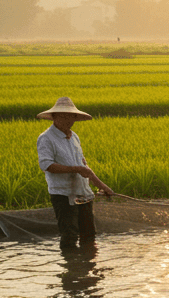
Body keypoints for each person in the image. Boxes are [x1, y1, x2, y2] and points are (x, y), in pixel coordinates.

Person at [36, 97, 112, 252]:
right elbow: (46, 165)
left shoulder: (74, 137)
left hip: (83, 192)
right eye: (63, 116)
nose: (68, 119)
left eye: (71, 116)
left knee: (89, 234)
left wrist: (102, 186)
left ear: (75, 118)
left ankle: (88, 268)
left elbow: (84, 165)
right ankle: (71, 271)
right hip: (63, 195)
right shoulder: (46, 138)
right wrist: (75, 169)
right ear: (54, 117)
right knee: (69, 235)